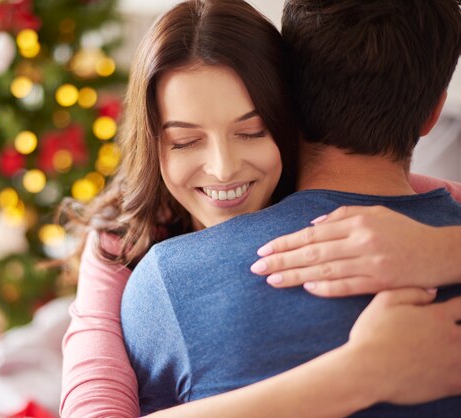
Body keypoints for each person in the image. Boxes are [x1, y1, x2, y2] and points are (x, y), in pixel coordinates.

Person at [119, 0, 461, 416]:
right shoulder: (127, 251)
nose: (223, 169)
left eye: (250, 130)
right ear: (433, 113)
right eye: (186, 141)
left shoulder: (167, 281)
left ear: (287, 98)